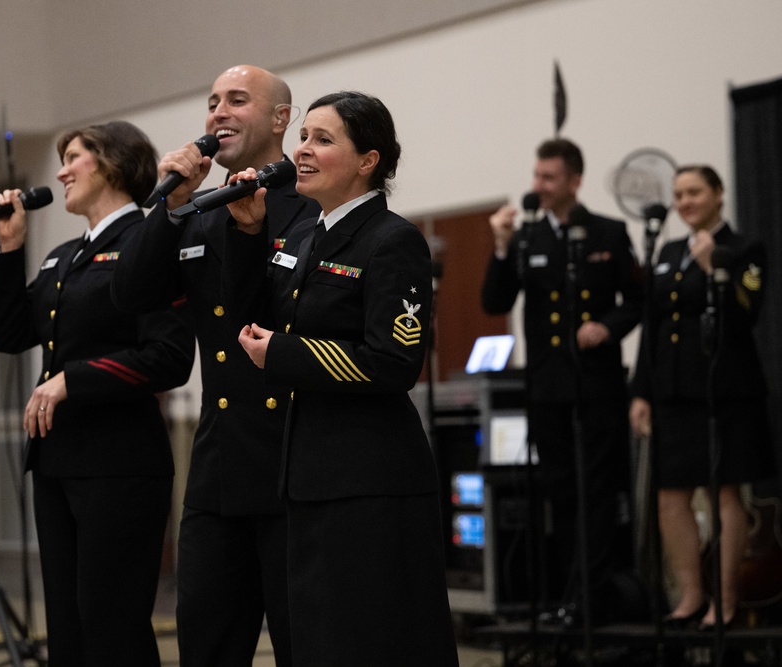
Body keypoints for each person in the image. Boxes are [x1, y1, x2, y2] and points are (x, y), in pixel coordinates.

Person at [223, 91, 459, 666]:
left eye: (322, 140)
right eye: (303, 137)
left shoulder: (392, 240)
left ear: (367, 161)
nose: (301, 151)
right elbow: (257, 320)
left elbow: (392, 362)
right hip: (307, 473)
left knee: (372, 641)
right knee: (318, 642)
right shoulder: (305, 237)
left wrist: (284, 355)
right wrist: (251, 236)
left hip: (372, 479)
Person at [110, 65, 319, 667]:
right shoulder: (197, 212)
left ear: (281, 119)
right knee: (205, 642)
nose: (217, 113)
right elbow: (130, 293)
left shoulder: (308, 208)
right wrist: (169, 205)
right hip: (219, 463)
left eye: (236, 100)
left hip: (290, 460)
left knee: (301, 642)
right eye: (211, 102)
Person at [0, 121, 194, 666]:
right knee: (69, 627)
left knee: (111, 625)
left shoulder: (147, 243)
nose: (60, 172)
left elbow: (168, 358)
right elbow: (9, 335)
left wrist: (73, 379)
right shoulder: (62, 257)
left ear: (112, 165)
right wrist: (10, 250)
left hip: (120, 462)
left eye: (74, 158)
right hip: (57, 460)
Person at [481, 138, 644, 625]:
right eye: (536, 177)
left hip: (595, 387)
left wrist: (608, 326)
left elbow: (638, 300)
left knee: (595, 493)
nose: (539, 187)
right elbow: (495, 301)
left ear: (574, 180)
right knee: (560, 493)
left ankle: (595, 600)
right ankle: (568, 598)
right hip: (547, 388)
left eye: (549, 178)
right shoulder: (529, 237)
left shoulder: (608, 233)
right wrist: (501, 245)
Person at [630, 164, 773, 629]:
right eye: (678, 194)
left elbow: (746, 317)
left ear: (718, 194)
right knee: (671, 498)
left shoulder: (744, 248)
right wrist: (641, 393)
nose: (685, 201)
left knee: (723, 495)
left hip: (723, 392)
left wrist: (716, 270)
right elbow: (653, 327)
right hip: (672, 395)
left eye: (694, 192)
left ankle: (726, 602)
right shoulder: (668, 250)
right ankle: (691, 596)